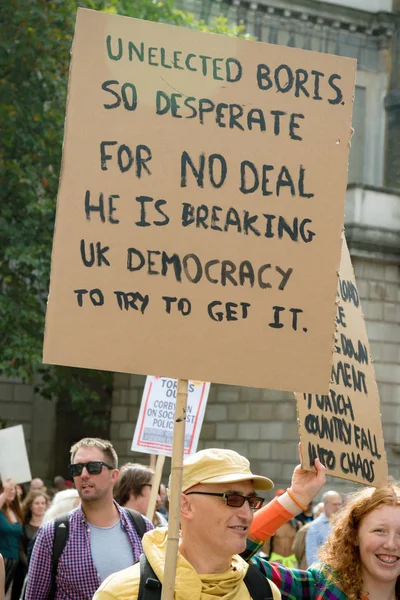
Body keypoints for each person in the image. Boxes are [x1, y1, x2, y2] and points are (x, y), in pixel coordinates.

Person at [93, 447, 325, 600]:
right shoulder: (122, 593)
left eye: (251, 501)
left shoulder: (263, 591)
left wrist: (298, 496)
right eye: (232, 499)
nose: (246, 513)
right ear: (186, 506)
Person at [26, 437, 153, 600]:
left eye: (93, 467)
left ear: (114, 475)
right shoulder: (52, 534)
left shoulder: (143, 528)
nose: (84, 474)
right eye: (77, 469)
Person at [245, 481, 400, 600]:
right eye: (379, 531)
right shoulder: (320, 588)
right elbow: (234, 557)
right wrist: (294, 497)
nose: (391, 544)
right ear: (354, 535)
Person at [11, 490, 49, 600]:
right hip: (24, 571)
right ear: (30, 506)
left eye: (43, 503)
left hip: (46, 573)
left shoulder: (52, 526)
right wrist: (32, 566)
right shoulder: (23, 526)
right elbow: (20, 550)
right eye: (37, 503)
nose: (40, 506)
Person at [259, 490, 298, 568]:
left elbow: (299, 546)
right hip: (276, 560)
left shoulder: (297, 525)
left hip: (292, 560)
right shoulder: (272, 524)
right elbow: (266, 545)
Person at [305, 490, 342, 566]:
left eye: (340, 504)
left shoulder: (343, 523)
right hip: (323, 573)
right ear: (325, 505)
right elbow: (311, 556)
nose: (338, 507)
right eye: (334, 504)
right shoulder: (315, 526)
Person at [0, 479, 23, 595]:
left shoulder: (16, 511)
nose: (12, 491)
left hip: (14, 561)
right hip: (1, 560)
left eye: (13, 489)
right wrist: (4, 493)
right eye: (9, 489)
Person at [292, 502, 325, 570]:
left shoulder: (331, 527)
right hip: (307, 567)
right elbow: (297, 548)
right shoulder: (306, 529)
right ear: (316, 515)